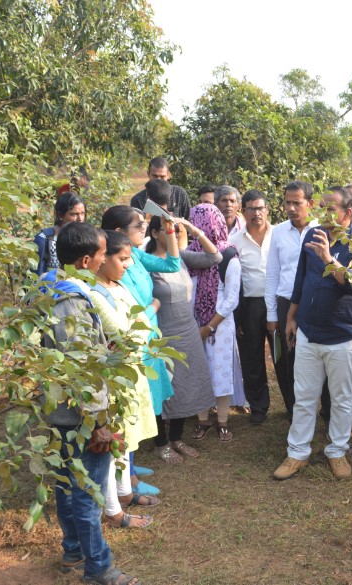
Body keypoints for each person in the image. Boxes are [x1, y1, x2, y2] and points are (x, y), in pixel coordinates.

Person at [41, 221, 140, 585]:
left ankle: (73, 552)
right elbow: (80, 367)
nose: (104, 260)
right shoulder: (72, 300)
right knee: (87, 494)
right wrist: (99, 420)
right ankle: (98, 568)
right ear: (86, 259)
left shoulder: (47, 287)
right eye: (101, 254)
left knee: (66, 485)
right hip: (79, 414)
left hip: (57, 410)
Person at [273, 186, 352, 480]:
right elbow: (301, 279)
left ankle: (337, 451)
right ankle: (297, 453)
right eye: (324, 208)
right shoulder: (312, 235)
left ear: (348, 212)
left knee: (341, 398)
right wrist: (292, 315)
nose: (326, 213)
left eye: (332, 208)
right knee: (304, 396)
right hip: (308, 330)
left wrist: (330, 258)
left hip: (344, 335)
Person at [100, 205, 180, 494]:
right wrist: (154, 306)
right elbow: (123, 313)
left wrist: (169, 229)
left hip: (149, 335)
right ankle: (129, 476)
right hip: (133, 336)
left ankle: (130, 466)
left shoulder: (135, 256)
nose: (144, 228)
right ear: (118, 232)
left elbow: (172, 264)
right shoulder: (112, 264)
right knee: (128, 404)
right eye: (138, 225)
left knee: (143, 400)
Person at [88, 231, 160, 529]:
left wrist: (135, 331)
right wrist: (134, 331)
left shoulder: (116, 285)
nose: (128, 265)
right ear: (102, 258)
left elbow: (142, 323)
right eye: (123, 259)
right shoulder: (93, 292)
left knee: (125, 438)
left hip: (129, 370)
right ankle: (114, 510)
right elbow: (124, 331)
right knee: (113, 440)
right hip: (114, 377)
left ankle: (124, 492)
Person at [146, 216, 221, 462]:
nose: (176, 236)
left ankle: (176, 438)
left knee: (185, 384)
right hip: (162, 334)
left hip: (188, 331)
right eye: (170, 231)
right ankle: (160, 443)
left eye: (178, 232)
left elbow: (215, 257)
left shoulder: (180, 258)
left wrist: (193, 230)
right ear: (156, 234)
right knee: (163, 388)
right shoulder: (146, 263)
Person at [188, 204, 246, 441]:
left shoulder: (228, 256)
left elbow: (231, 298)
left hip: (219, 325)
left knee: (221, 371)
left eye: (197, 224)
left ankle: (222, 420)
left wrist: (209, 326)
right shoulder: (189, 253)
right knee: (198, 371)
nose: (194, 231)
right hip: (193, 323)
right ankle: (203, 420)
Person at [265, 181, 319, 417]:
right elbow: (273, 273)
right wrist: (272, 314)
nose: (291, 208)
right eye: (287, 202)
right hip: (286, 302)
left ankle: (323, 412)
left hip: (316, 304)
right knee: (287, 361)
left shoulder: (321, 230)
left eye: (297, 203)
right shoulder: (278, 232)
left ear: (311, 203)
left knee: (316, 358)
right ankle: (293, 410)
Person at [230, 190, 274, 424]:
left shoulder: (279, 235)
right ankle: (258, 407)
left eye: (260, 208)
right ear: (242, 211)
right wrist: (236, 317)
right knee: (251, 357)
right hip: (249, 305)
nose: (256, 213)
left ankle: (293, 405)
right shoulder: (235, 241)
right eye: (251, 209)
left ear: (267, 210)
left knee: (284, 356)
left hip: (276, 302)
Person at [34, 191, 86, 275]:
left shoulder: (86, 238)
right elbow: (36, 276)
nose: (80, 218)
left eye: (82, 213)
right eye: (74, 214)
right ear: (60, 215)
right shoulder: (44, 239)